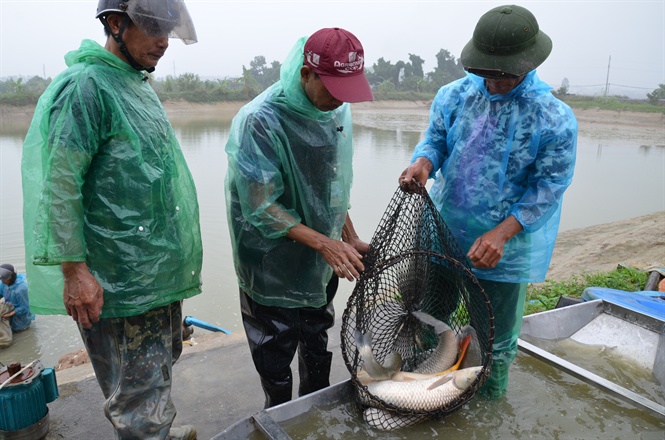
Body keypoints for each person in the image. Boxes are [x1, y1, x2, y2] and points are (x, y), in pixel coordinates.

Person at [21, 1, 202, 438]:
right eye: (154, 29)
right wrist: (74, 270)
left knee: (157, 365)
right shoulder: (86, 87)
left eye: (168, 32)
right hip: (117, 280)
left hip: (152, 271)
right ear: (116, 23)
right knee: (137, 393)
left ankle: (156, 428)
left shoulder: (135, 83)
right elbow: (60, 185)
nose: (163, 42)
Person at [399, 4, 577, 399]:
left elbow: (548, 186)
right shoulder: (454, 95)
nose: (494, 83)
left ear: (528, 63)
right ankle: (424, 391)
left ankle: (487, 408)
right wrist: (424, 163)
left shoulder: (553, 117)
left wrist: (502, 233)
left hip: (505, 249)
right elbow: (436, 139)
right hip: (444, 231)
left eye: (505, 75)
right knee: (431, 319)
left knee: (492, 340)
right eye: (486, 73)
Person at [225, 27, 374, 408]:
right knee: (274, 353)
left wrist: (349, 238)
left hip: (319, 260)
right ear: (306, 73)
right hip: (269, 260)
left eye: (347, 92)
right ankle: (278, 416)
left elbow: (331, 190)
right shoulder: (259, 120)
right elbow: (262, 207)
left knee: (316, 344)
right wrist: (327, 244)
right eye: (333, 90)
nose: (339, 101)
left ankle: (313, 415)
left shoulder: (335, 112)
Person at [0, 264, 35, 332]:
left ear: (11, 278)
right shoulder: (3, 283)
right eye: (1, 278)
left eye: (4, 279)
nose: (2, 280)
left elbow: (25, 307)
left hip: (21, 317)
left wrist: (9, 314)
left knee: (18, 331)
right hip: (11, 306)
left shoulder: (22, 289)